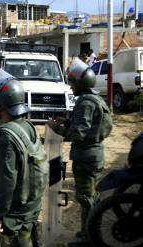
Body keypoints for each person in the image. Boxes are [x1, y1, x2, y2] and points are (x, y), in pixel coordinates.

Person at [47, 58, 112, 246]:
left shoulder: (86, 102)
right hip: (93, 154)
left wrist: (56, 128)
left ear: (80, 84)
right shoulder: (94, 98)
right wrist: (66, 121)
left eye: (73, 83)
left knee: (85, 198)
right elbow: (87, 124)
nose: (71, 86)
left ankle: (88, 238)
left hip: (86, 157)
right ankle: (89, 232)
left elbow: (78, 133)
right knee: (91, 196)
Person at [0, 68, 48, 247]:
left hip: (14, 210)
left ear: (0, 104)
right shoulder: (28, 125)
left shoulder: (6, 136)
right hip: (31, 204)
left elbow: (7, 180)